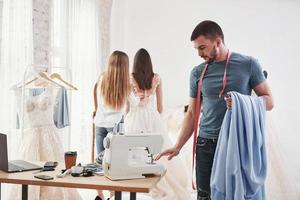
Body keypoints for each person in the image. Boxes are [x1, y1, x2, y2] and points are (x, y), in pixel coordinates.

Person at [156, 20, 274, 200]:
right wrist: (178, 146)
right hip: (205, 144)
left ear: (218, 42)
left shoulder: (248, 64)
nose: (199, 53)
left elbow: (269, 101)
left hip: (236, 143)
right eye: (196, 48)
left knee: (235, 195)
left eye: (202, 47)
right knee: (205, 196)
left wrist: (241, 102)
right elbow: (192, 113)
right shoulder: (197, 72)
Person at [125, 48, 192, 200]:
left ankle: (137, 183)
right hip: (153, 118)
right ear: (150, 63)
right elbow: (160, 107)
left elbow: (129, 107)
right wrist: (151, 93)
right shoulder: (157, 78)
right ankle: (159, 179)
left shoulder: (130, 79)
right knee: (158, 152)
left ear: (135, 63)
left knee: (136, 150)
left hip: (135, 118)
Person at [93, 50, 131, 200]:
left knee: (99, 163)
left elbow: (97, 101)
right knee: (114, 165)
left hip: (100, 124)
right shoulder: (126, 83)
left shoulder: (101, 79)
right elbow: (132, 104)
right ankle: (113, 195)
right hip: (115, 127)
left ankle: (100, 196)